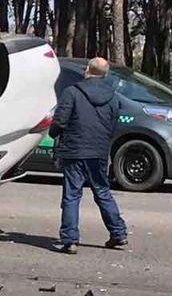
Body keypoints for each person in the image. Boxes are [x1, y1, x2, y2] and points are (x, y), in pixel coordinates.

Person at [50, 56, 128, 254]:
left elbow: (60, 121)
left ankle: (70, 240)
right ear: (105, 75)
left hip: (74, 150)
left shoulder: (72, 92)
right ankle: (118, 233)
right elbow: (114, 123)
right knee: (102, 192)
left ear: (87, 70)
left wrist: (54, 134)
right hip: (98, 151)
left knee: (72, 195)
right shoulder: (113, 96)